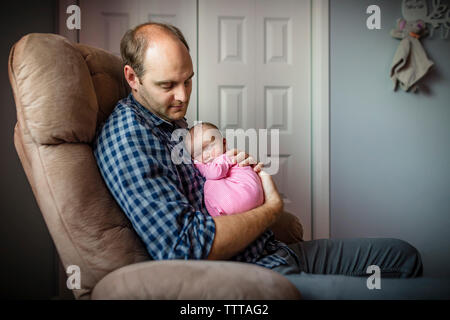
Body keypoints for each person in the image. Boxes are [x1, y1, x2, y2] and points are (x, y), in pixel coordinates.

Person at [93, 22, 435, 299]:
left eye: (189, 80)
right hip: (253, 275)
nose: (183, 96)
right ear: (132, 78)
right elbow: (185, 247)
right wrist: (270, 211)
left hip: (271, 250)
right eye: (168, 84)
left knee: (401, 256)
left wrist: (238, 174)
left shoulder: (170, 120)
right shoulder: (129, 139)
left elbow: (209, 193)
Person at [186, 121, 264, 217]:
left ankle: (218, 216)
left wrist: (198, 164)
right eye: (197, 153)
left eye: (210, 146)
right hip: (256, 198)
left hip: (243, 196)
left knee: (210, 183)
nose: (206, 155)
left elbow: (216, 172)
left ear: (224, 143)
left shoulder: (225, 158)